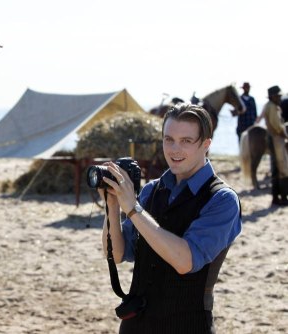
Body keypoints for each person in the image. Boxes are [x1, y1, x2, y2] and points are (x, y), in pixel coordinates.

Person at [100, 103, 242, 333]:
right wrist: (113, 205)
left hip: (187, 325)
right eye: (169, 139)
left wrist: (134, 209)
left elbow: (185, 261)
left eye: (186, 141)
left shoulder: (222, 200)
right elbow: (116, 253)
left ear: (206, 145)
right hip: (135, 325)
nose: (175, 149)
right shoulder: (151, 191)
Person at [262, 85, 288, 206]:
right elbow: (277, 126)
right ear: (273, 96)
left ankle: (275, 197)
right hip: (277, 139)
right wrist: (285, 134)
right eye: (278, 96)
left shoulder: (269, 106)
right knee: (282, 168)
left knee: (275, 169)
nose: (280, 98)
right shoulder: (272, 107)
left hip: (272, 138)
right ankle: (283, 197)